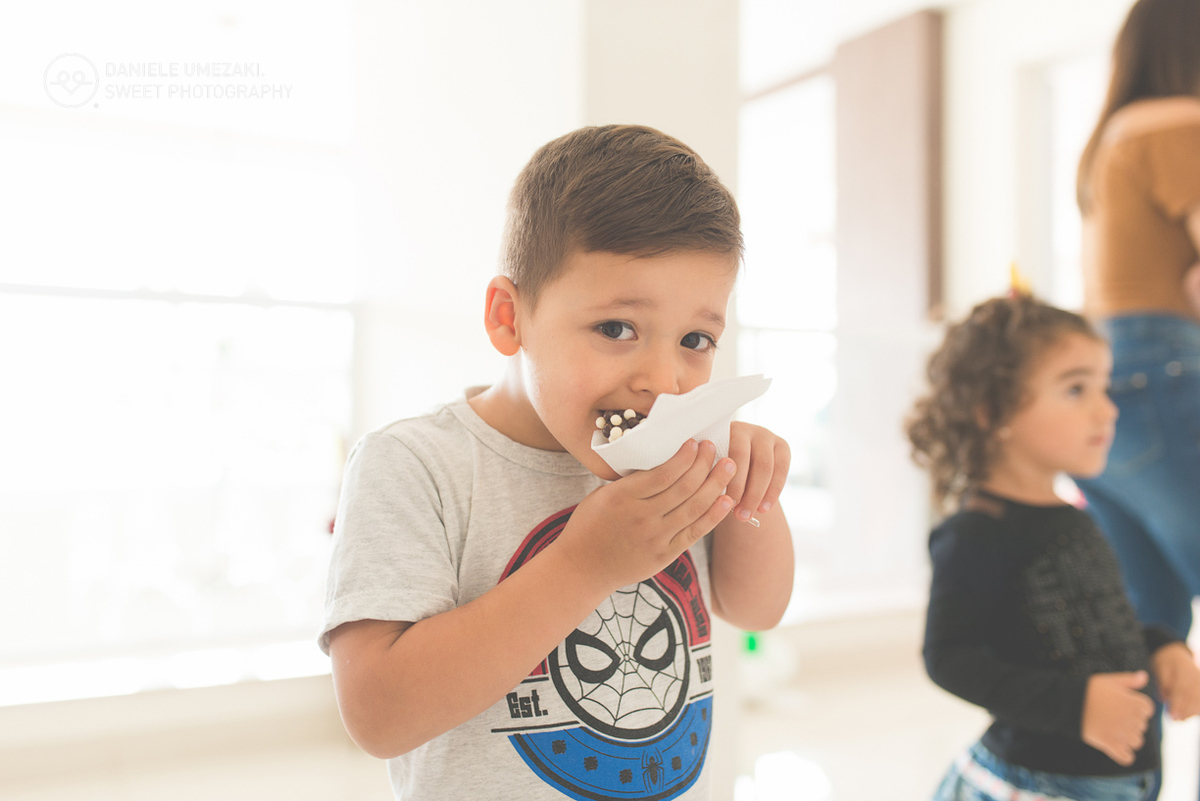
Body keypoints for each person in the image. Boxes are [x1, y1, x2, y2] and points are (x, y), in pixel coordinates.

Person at [317, 124, 795, 801]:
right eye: (616, 328)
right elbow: (379, 715)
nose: (665, 378)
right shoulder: (417, 465)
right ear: (509, 318)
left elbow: (758, 606)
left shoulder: (678, 454)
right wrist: (586, 562)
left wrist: (752, 492)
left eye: (696, 339)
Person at [905, 294, 1200, 801]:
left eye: (1105, 388)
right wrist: (1076, 706)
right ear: (993, 411)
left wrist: (1159, 644)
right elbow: (948, 657)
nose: (1107, 409)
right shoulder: (977, 532)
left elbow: (1097, 624)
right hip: (1039, 784)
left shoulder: (1077, 517)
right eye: (1076, 389)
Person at [1073, 0, 1200, 714]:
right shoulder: (1179, 124)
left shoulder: (1115, 138)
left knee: (1146, 633)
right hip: (1166, 374)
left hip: (1108, 386)